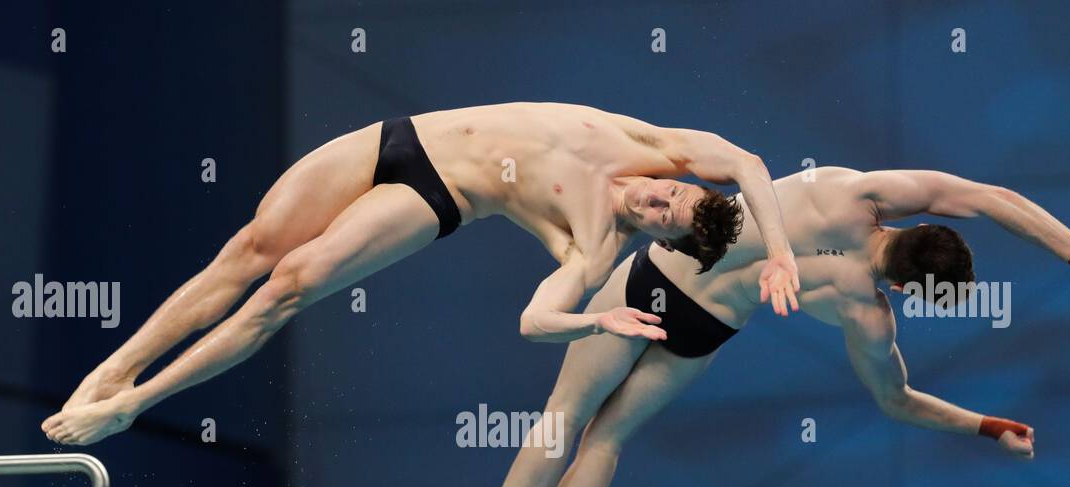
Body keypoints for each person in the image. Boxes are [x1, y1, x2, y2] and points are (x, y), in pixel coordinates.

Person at [454, 166, 1070, 487]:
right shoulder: (866, 313)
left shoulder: (856, 191)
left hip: (656, 281)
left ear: (916, 223)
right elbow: (899, 402)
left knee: (564, 419)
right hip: (706, 330)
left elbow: (989, 196)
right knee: (605, 442)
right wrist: (986, 426)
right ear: (907, 288)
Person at [41, 103, 801, 445]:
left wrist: (595, 320)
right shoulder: (653, 144)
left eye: (661, 215)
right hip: (399, 138)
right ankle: (111, 372)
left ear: (653, 235)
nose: (656, 196)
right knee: (248, 252)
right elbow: (749, 164)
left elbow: (534, 322)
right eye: (670, 191)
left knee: (288, 287)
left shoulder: (595, 245)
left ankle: (133, 405)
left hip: (435, 197)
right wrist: (781, 251)